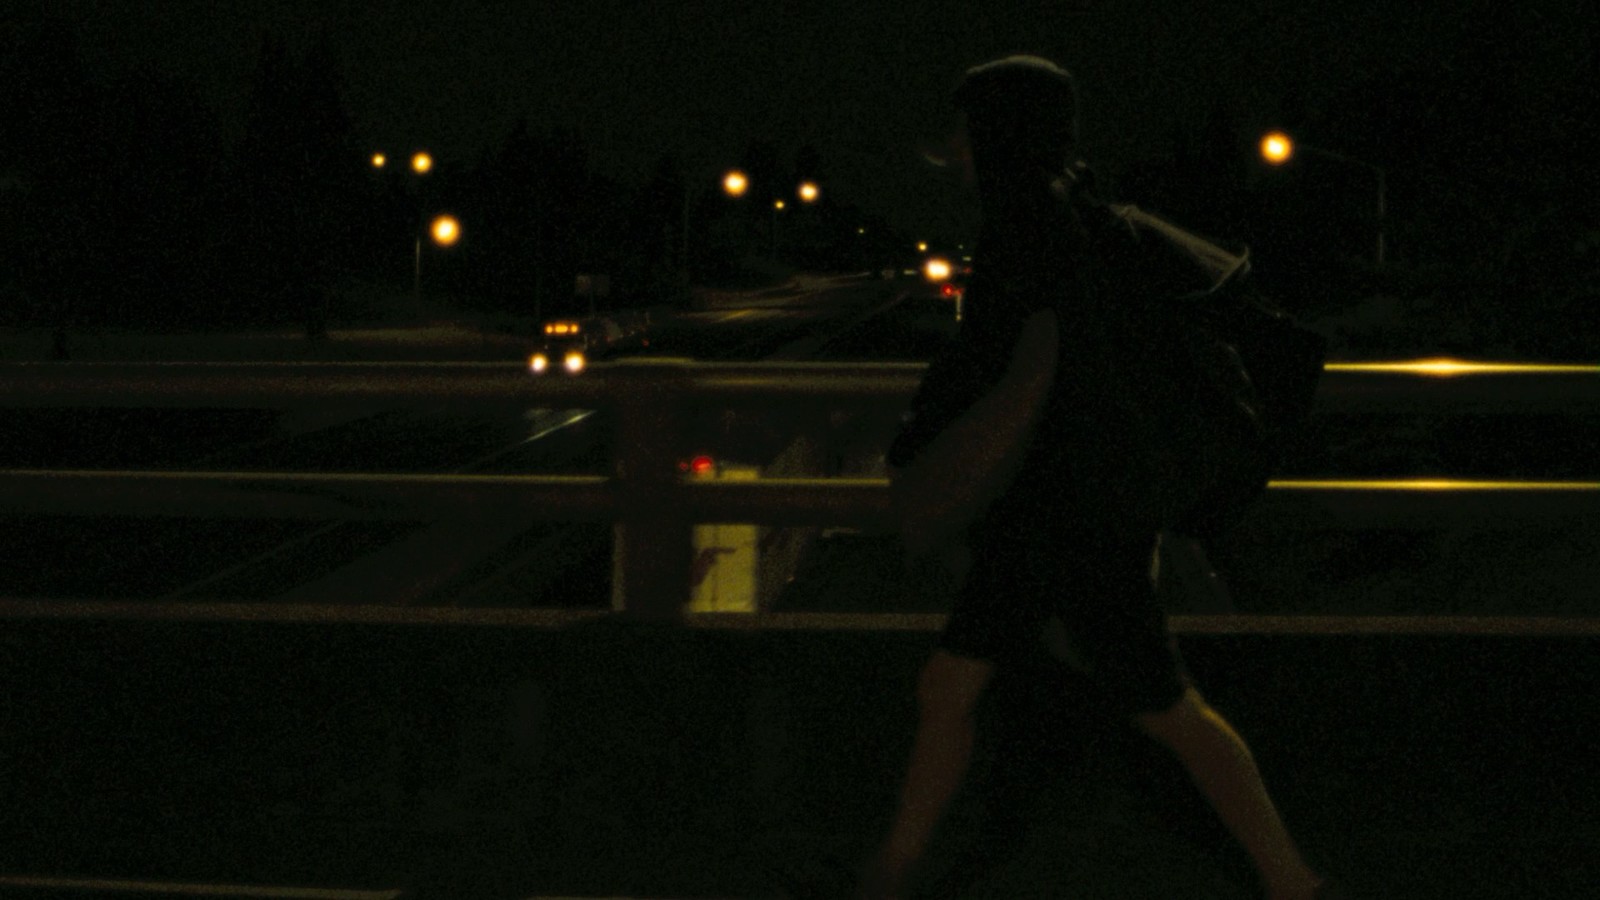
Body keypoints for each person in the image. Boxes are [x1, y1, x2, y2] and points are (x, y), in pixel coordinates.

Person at [858, 56, 1337, 900]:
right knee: (974, 687)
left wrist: (922, 449)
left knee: (1155, 707)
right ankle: (891, 871)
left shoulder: (1028, 230)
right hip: (1081, 509)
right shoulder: (1082, 217)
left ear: (996, 134)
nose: (959, 153)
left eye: (969, 134)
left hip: (1061, 517)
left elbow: (1005, 363)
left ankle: (1291, 878)